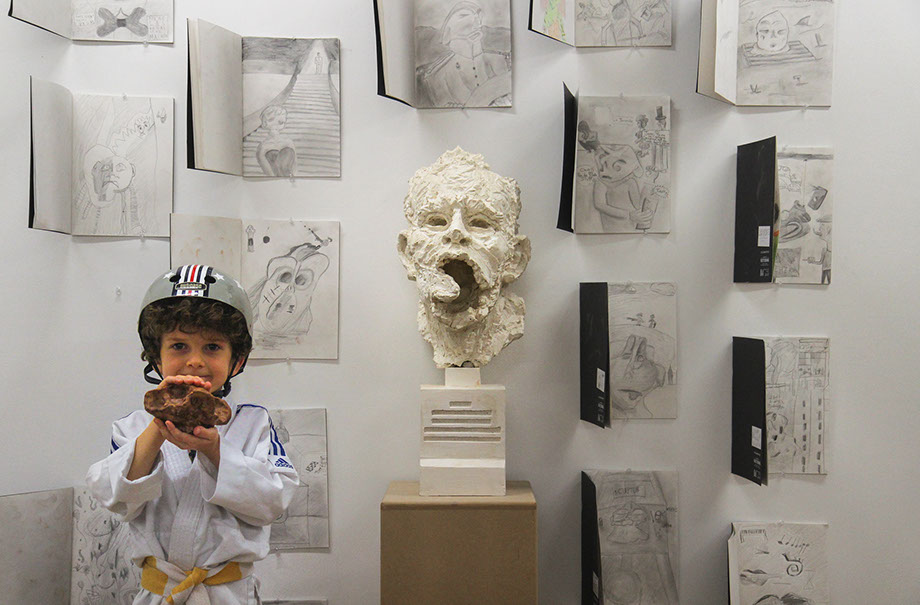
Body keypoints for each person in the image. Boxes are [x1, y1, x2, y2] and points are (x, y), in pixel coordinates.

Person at [86, 264, 299, 604]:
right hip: (162, 593)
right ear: (156, 359)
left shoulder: (253, 422)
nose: (195, 361)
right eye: (179, 346)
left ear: (237, 360)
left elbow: (272, 503)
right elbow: (117, 499)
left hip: (229, 594)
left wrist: (215, 450)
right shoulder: (133, 428)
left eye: (212, 347)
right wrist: (158, 427)